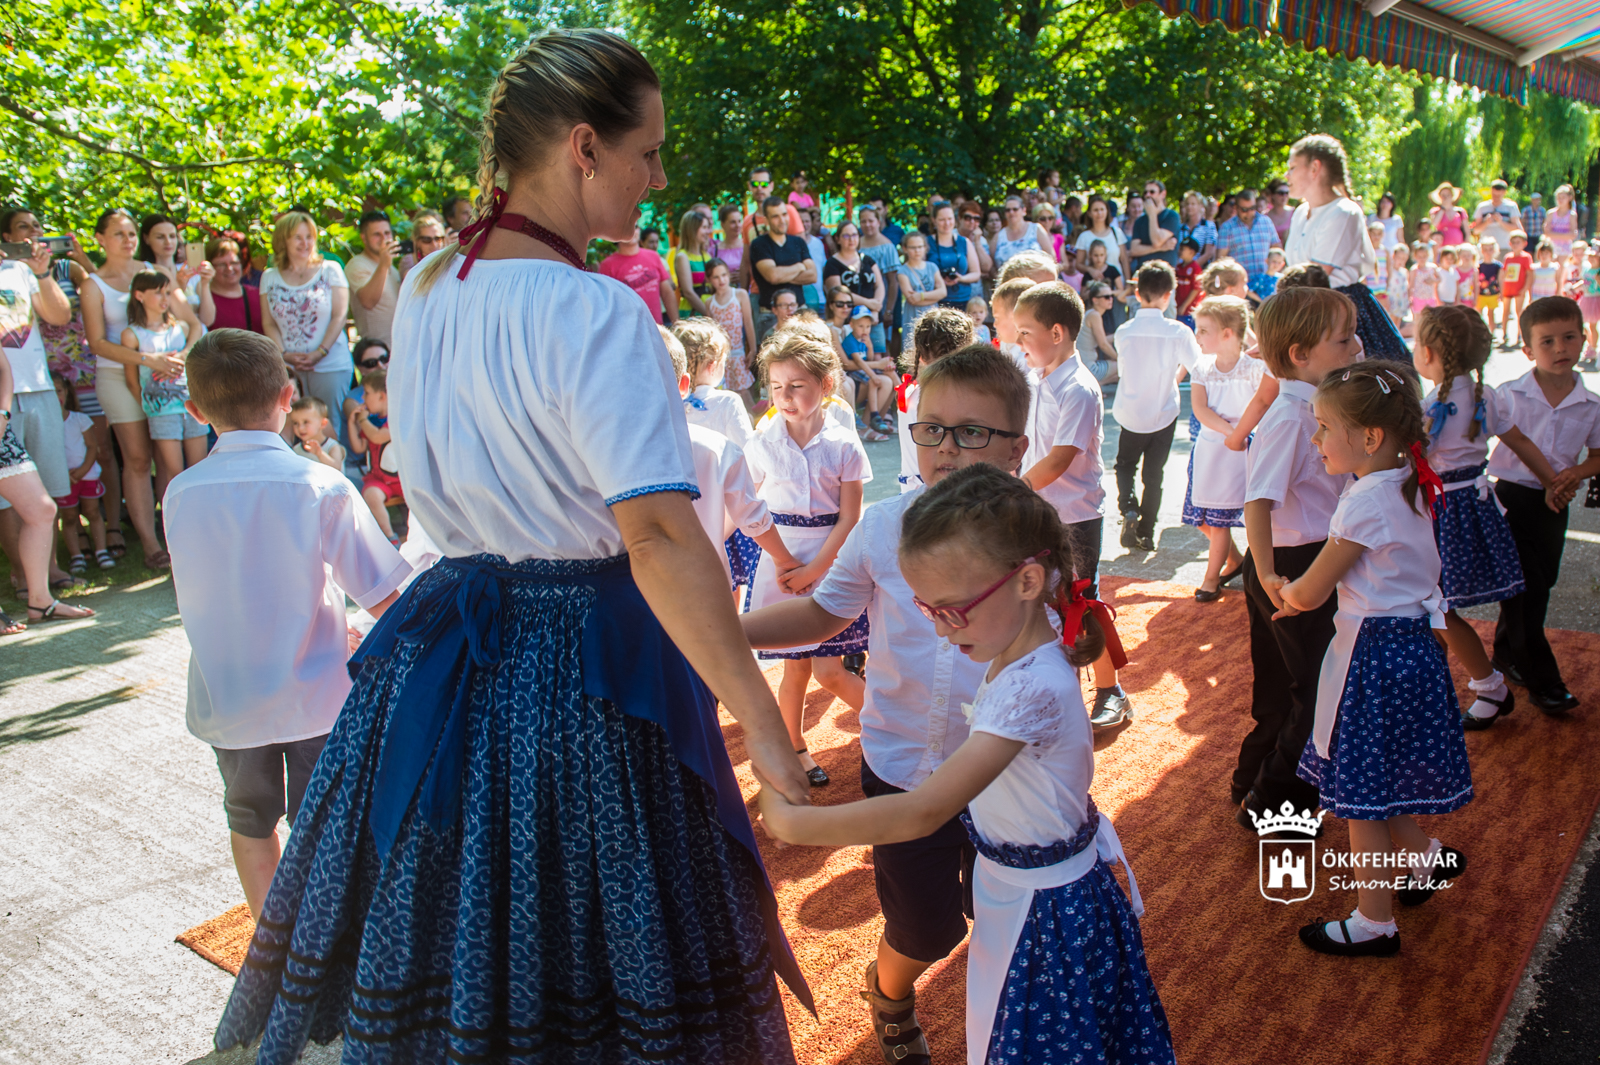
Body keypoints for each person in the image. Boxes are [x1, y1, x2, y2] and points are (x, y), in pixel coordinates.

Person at [216, 31, 813, 1064]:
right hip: (586, 665)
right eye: (647, 152)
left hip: (448, 651)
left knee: (462, 941)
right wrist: (762, 722)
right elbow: (659, 535)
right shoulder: (599, 311)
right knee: (611, 947)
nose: (659, 178)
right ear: (584, 147)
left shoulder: (428, 284)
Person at [759, 460, 1175, 1064]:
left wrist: (795, 824)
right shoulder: (1027, 649)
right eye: (927, 610)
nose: (941, 631)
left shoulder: (1027, 687)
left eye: (952, 610)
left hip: (1044, 910)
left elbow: (923, 811)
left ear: (1027, 581)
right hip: (1028, 889)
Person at [742, 345, 1030, 1064]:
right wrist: (724, 633)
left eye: (971, 432)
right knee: (926, 928)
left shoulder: (1038, 543)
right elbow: (821, 615)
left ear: (1016, 448)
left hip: (1004, 772)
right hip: (901, 763)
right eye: (930, 429)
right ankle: (891, 992)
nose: (946, 448)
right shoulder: (882, 527)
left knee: (1008, 912)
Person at [165, 328, 407, 922]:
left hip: (230, 692)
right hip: (314, 691)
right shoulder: (320, 485)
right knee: (322, 821)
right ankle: (327, 936)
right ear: (286, 395)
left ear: (194, 410)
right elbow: (383, 595)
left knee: (249, 820)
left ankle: (271, 937)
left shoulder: (180, 492)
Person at [1275, 363, 1471, 958]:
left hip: (1374, 656)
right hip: (1413, 647)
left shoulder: (1363, 500)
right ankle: (1425, 859)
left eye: (1323, 427)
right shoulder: (1408, 477)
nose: (1315, 438)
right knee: (1377, 781)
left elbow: (1313, 591)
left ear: (1369, 437)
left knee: (1362, 799)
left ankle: (1374, 922)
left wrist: (1283, 591)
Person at [1235, 287, 1358, 828]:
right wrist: (1266, 573)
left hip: (1288, 561)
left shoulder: (1308, 407)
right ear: (1300, 354)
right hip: (1292, 564)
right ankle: (1272, 805)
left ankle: (1252, 778)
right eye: (1344, 339)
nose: (1357, 347)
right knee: (1314, 687)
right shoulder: (1291, 416)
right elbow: (1257, 500)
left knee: (1284, 684)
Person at [1411, 306, 1549, 730]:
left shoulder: (1431, 405)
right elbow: (1519, 440)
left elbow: (1412, 461)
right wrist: (1552, 480)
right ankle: (1434, 687)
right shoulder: (1486, 395)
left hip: (1443, 511)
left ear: (1429, 353)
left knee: (1436, 604)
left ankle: (1490, 686)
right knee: (1432, 603)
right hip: (1472, 505)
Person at [743, 330, 870, 785]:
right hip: (780, 561)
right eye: (777, 386)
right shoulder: (761, 443)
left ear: (826, 384)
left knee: (830, 671)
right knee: (794, 669)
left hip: (832, 561)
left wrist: (816, 569)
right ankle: (796, 748)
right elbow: (746, 506)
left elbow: (850, 517)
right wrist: (782, 562)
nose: (785, 396)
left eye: (797, 385)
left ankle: (894, 726)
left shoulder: (844, 443)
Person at [1014, 282, 1131, 730]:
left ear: (1057, 333)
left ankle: (1110, 690)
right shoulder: (1038, 378)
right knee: (1043, 603)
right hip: (1038, 511)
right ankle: (1055, 690)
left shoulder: (1079, 388)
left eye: (1026, 332)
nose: (1019, 341)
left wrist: (1014, 488)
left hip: (1075, 516)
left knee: (1080, 604)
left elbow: (1060, 458)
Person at [1490, 296, 1600, 714]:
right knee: (1526, 589)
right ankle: (1545, 683)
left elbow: (1597, 455)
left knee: (1541, 584)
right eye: (1547, 341)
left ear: (1584, 339)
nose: (1560, 348)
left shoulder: (1591, 404)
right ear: (1527, 350)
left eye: (1569, 337)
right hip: (1511, 499)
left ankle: (1506, 654)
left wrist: (1576, 473)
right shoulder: (1508, 395)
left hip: (1555, 504)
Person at [81, 208, 173, 568]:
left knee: (167, 456)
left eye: (132, 232)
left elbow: (185, 318)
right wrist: (147, 359)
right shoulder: (93, 284)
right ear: (100, 239)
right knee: (137, 459)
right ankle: (150, 544)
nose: (128, 239)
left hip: (163, 377)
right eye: (118, 233)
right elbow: (97, 343)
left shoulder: (153, 271)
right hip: (117, 377)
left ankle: (176, 536)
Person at [0, 222, 77, 596]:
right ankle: (22, 576)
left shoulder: (22, 269)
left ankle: (49, 570)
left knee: (44, 485)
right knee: (6, 496)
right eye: (23, 227)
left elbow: (60, 316)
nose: (32, 233)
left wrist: (43, 273)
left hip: (38, 386)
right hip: (3, 394)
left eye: (36, 227)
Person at [1284, 134, 1407, 361]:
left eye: (1292, 167)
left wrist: (1281, 321)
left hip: (1334, 311)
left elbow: (1315, 276)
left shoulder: (1343, 212)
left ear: (1314, 168)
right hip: (1305, 304)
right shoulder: (1300, 212)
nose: (1286, 175)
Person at [1110, 261, 1200, 556]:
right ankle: (1146, 532)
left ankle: (1128, 506)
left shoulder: (1124, 331)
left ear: (1137, 293)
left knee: (1125, 465)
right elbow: (1198, 366)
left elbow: (1124, 370)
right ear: (1169, 295)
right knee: (1154, 474)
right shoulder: (1179, 331)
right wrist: (1175, 377)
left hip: (1131, 412)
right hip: (1163, 411)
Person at [1183, 296, 1259, 601]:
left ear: (1227, 333)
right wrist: (1231, 432)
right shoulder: (1202, 367)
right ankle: (1235, 560)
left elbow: (1261, 404)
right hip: (1211, 449)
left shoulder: (1254, 368)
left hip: (1239, 453)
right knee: (1202, 517)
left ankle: (1211, 580)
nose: (1197, 335)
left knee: (1219, 520)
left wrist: (1240, 435)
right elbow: (1200, 408)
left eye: (1203, 330)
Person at [258, 211, 353, 445]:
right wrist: (284, 354)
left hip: (329, 363)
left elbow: (340, 315)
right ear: (283, 240)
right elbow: (268, 322)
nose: (305, 243)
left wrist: (320, 352)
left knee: (327, 427)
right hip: (288, 367)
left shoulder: (330, 269)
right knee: (290, 427)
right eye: (297, 237)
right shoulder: (269, 277)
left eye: (309, 236)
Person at [121, 270, 206, 499]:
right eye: (158, 292)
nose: (165, 298)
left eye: (167, 293)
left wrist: (182, 355)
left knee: (200, 467)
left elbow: (197, 332)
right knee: (174, 472)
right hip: (161, 412)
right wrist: (151, 408)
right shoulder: (132, 334)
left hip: (193, 406)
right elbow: (131, 381)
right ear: (139, 295)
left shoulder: (182, 328)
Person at [50, 371, 112, 573]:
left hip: (88, 476)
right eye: (50, 392)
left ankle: (101, 551)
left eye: (58, 391)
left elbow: (93, 447)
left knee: (93, 512)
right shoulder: (45, 426)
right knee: (68, 518)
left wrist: (82, 470)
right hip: (63, 480)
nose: (56, 396)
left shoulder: (80, 419)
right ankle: (76, 556)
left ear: (66, 392)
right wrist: (64, 475)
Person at [678, 315, 755, 448]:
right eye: (723, 362)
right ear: (712, 366)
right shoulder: (728, 402)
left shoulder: (671, 403)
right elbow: (747, 450)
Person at [750, 197, 816, 345]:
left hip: (799, 314)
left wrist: (782, 274)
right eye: (775, 216)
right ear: (766, 220)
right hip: (770, 316)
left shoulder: (798, 242)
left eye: (784, 214)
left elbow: (813, 275)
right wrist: (799, 267)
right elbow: (773, 276)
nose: (782, 220)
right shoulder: (759, 244)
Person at [346, 369, 401, 545]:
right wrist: (352, 423)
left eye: (367, 393)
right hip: (378, 479)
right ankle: (390, 537)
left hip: (402, 479)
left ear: (382, 396)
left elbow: (377, 436)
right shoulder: (371, 422)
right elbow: (359, 447)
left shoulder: (396, 418)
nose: (363, 398)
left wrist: (363, 421)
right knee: (371, 495)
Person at [823, 221, 887, 351]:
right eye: (846, 236)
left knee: (877, 354)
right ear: (838, 239)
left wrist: (875, 310)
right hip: (848, 320)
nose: (851, 239)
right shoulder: (832, 264)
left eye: (854, 235)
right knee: (854, 356)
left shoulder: (867, 260)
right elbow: (838, 293)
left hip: (872, 318)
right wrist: (869, 303)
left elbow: (879, 285)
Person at [703, 258, 758, 405]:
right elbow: (712, 332)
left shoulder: (739, 295)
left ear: (728, 274)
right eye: (716, 277)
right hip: (722, 354)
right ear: (709, 279)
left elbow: (748, 322)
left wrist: (752, 349)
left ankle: (753, 417)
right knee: (725, 391)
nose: (721, 280)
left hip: (738, 352)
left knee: (743, 390)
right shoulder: (710, 302)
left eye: (724, 275)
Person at [599, 222, 677, 324]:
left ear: (639, 230)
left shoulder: (653, 256)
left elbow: (667, 293)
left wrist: (677, 324)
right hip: (629, 330)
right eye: (624, 226)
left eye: (635, 226)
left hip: (658, 328)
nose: (631, 230)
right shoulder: (607, 265)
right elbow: (608, 305)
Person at [343, 210, 401, 344]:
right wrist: (384, 265)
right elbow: (368, 302)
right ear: (364, 238)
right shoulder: (357, 264)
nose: (384, 239)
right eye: (376, 234)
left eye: (387, 233)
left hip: (397, 348)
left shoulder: (392, 268)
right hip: (375, 350)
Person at [1216, 188, 1281, 298]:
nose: (1249, 213)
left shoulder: (1266, 222)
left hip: (1265, 286)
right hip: (1241, 288)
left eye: (1252, 208)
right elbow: (1221, 259)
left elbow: (1277, 248)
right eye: (1244, 209)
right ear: (1236, 208)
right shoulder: (1227, 227)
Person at [198, 237, 263, 333]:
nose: (229, 268)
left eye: (234, 263)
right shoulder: (202, 297)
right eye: (221, 264)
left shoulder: (258, 295)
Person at [928, 202, 981, 309]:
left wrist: (960, 278)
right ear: (934, 220)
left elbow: (976, 273)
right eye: (942, 220)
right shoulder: (926, 243)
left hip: (964, 301)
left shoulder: (964, 242)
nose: (947, 223)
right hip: (935, 302)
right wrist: (939, 281)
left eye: (950, 219)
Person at [989, 195, 1054, 277]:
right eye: (1008, 210)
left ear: (1024, 211)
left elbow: (1051, 257)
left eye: (1015, 209)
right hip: (1008, 283)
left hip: (1036, 281)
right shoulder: (998, 236)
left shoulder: (1036, 229)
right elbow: (991, 266)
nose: (1011, 212)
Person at [897, 231, 947, 334]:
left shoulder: (932, 267)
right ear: (905, 249)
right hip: (913, 315)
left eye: (920, 247)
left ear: (925, 247)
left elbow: (943, 292)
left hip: (933, 315)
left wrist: (921, 296)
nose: (917, 250)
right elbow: (912, 300)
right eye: (913, 247)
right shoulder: (903, 271)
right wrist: (935, 297)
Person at [1129, 178, 1180, 276]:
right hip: (1143, 274)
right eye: (1145, 192)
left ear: (1163, 194)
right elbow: (1134, 250)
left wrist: (1152, 215)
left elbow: (1156, 241)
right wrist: (1161, 248)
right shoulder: (1139, 221)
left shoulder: (1171, 216)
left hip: (1165, 275)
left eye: (1152, 192)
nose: (1148, 195)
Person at [1072, 195, 1129, 277]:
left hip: (1117, 282)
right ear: (1089, 213)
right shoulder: (1084, 237)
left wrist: (1127, 281)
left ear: (1107, 211)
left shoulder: (1117, 233)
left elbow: (1124, 260)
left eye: (1102, 209)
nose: (1099, 213)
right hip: (1094, 282)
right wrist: (1090, 270)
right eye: (1096, 210)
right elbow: (1078, 264)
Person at [285, 396, 346, 470]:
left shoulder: (332, 446)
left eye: (306, 422)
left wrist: (320, 454)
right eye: (295, 423)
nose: (300, 428)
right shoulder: (296, 450)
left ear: (323, 423)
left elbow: (337, 468)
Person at [673, 209, 715, 317]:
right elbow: (688, 292)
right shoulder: (683, 256)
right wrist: (710, 315)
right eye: (704, 227)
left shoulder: (706, 255)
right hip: (693, 313)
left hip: (709, 310)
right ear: (692, 229)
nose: (708, 231)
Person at [1500, 230, 1533, 345]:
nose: (1515, 245)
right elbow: (1504, 274)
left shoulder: (1526, 257)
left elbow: (1529, 274)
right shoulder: (1508, 258)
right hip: (1508, 289)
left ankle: (1520, 334)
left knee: (1519, 312)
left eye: (1518, 242)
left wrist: (1525, 288)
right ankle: (1504, 334)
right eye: (1513, 242)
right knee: (1505, 311)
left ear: (1524, 243)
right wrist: (1501, 289)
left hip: (1519, 289)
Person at [397, 210, 451, 280]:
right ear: (417, 242)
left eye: (438, 239)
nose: (434, 244)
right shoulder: (409, 262)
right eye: (426, 239)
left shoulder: (453, 262)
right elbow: (413, 280)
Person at [1471, 179, 1520, 255]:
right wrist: (1486, 222)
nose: (1496, 198)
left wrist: (1501, 222)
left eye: (1498, 196)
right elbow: (1476, 231)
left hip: (1504, 247)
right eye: (1494, 195)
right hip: (1486, 249)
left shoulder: (1511, 207)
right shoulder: (1482, 207)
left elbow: (1516, 229)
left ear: (1504, 193)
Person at [1177, 190, 1218, 267]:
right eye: (1187, 204)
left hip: (1200, 270)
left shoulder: (1208, 226)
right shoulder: (1180, 228)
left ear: (1200, 206)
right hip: (1181, 270)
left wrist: (1191, 268)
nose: (1190, 207)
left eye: (1193, 204)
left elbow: (1209, 253)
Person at [1429, 182, 1468, 248]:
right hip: (1441, 247)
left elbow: (1467, 231)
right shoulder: (1435, 211)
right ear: (1440, 197)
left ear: (1452, 195)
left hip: (1458, 246)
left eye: (1448, 195)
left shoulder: (1460, 211)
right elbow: (1434, 224)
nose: (1446, 197)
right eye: (1443, 195)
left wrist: (1467, 244)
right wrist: (1442, 209)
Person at [1545, 185, 1578, 258]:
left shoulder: (1572, 215)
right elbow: (1547, 232)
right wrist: (1565, 235)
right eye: (1558, 198)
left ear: (1569, 198)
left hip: (1566, 249)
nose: (1560, 200)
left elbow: (1573, 234)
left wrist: (1554, 234)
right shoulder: (1550, 213)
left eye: (1563, 197)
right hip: (1551, 247)